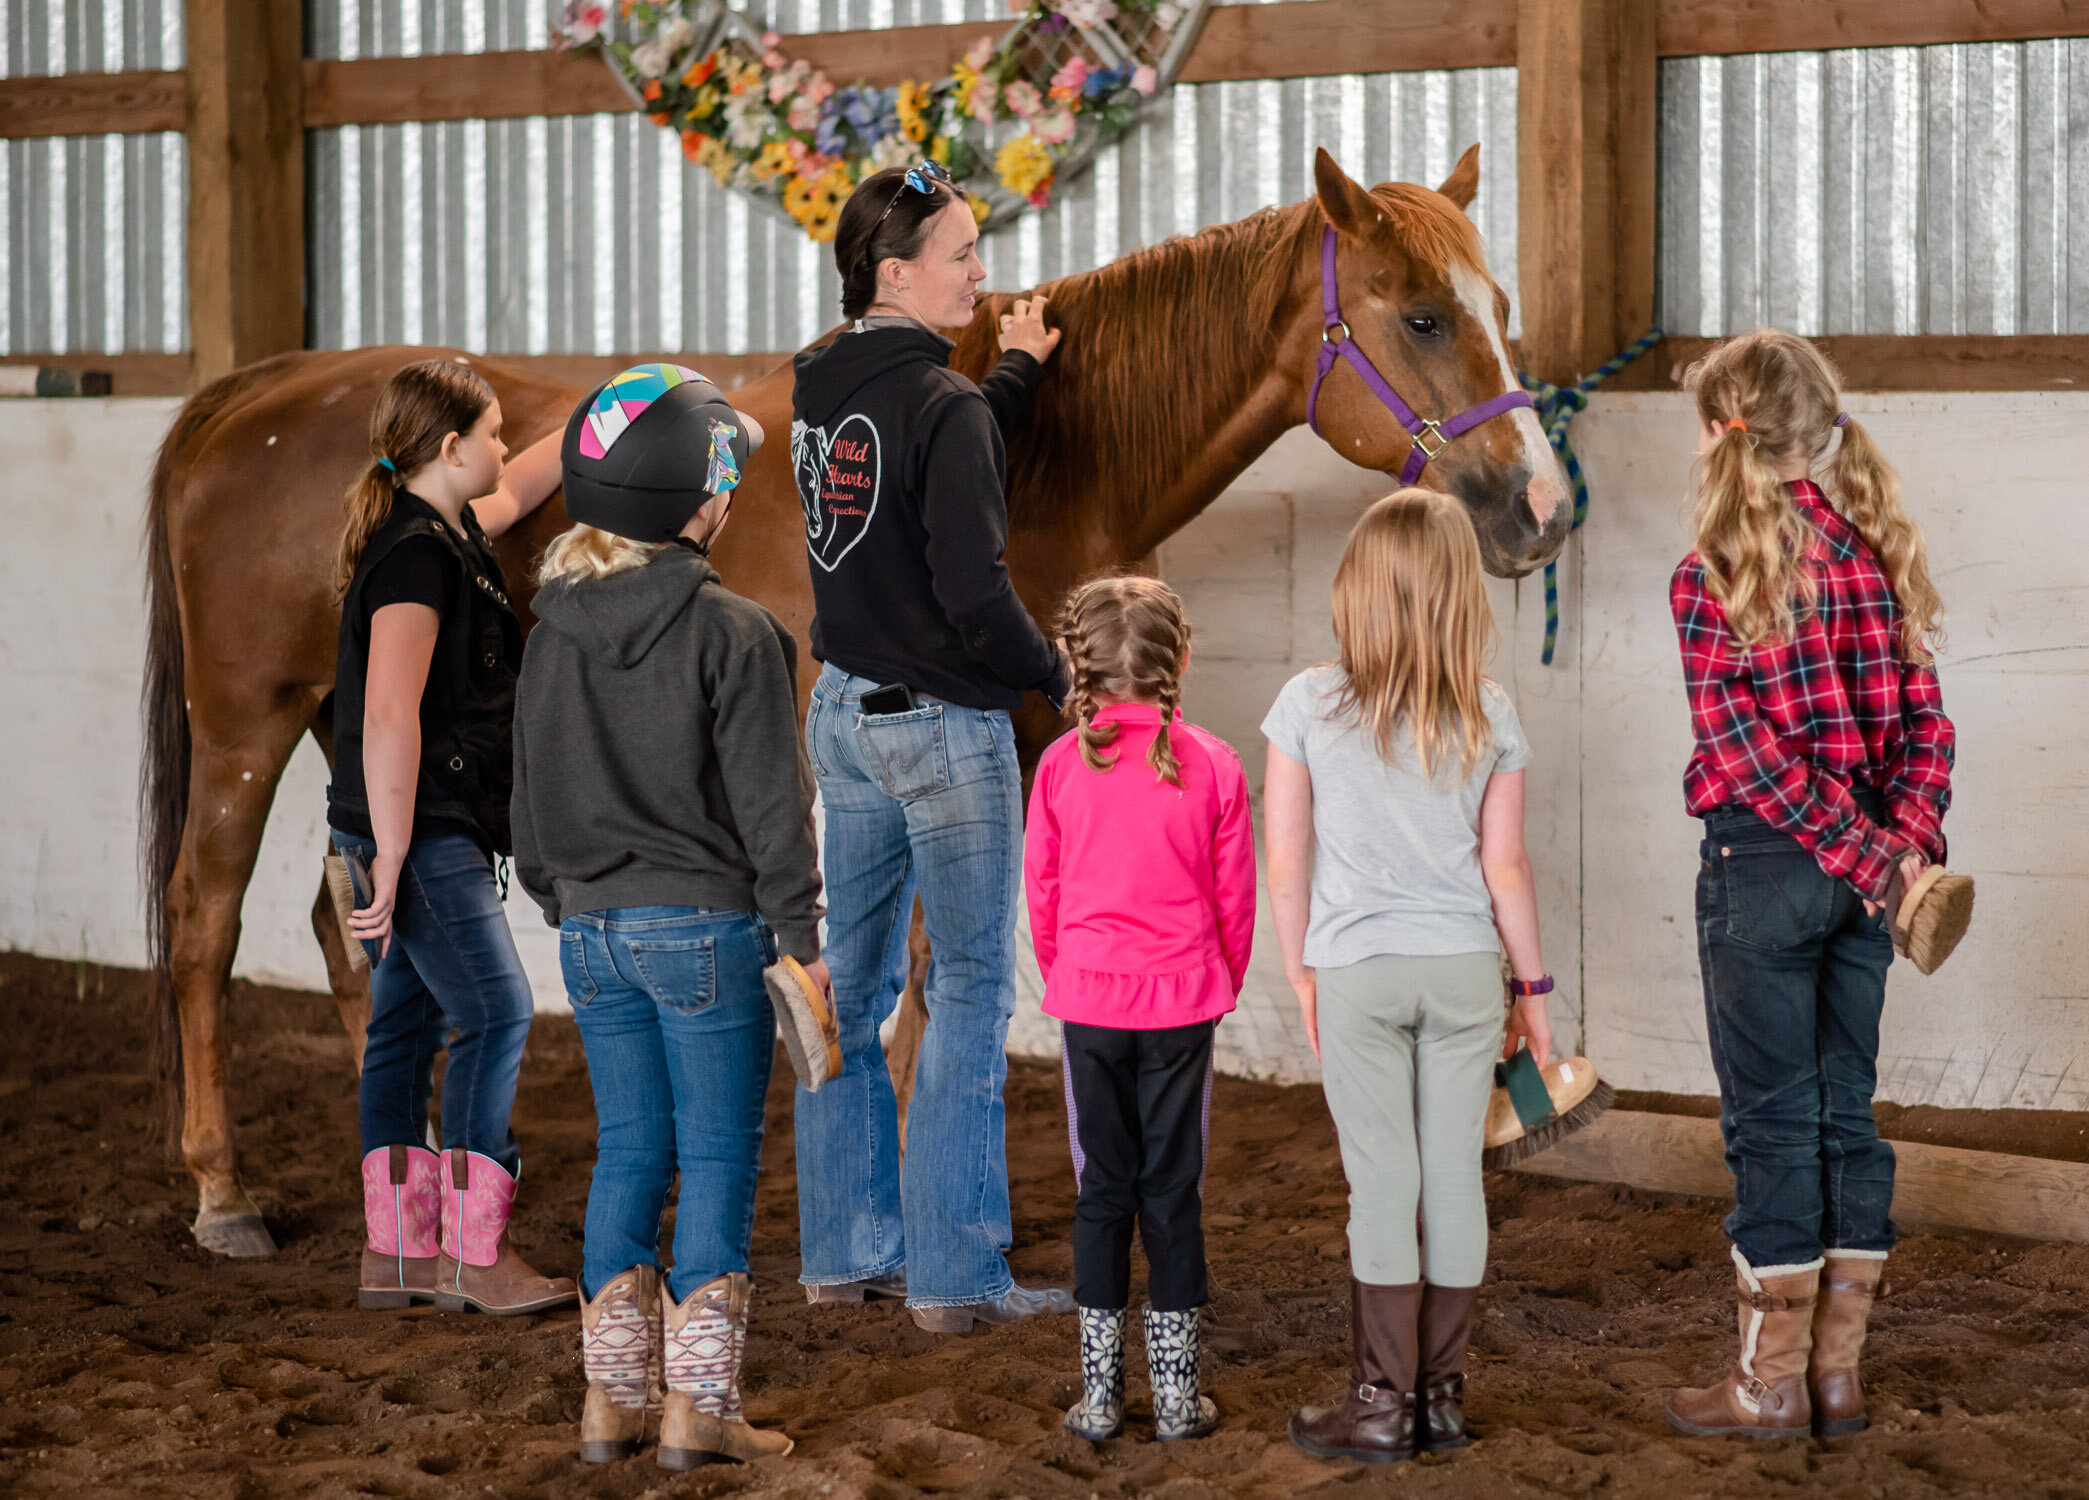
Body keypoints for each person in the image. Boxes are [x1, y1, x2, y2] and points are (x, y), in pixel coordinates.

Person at [511, 365, 822, 1469]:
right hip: (707, 932)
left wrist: (568, 902)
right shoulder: (738, 634)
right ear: (702, 500)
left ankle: (611, 1406)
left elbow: (529, 806)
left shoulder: (550, 634)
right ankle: (699, 1411)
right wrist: (800, 939)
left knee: (628, 1153)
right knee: (721, 1159)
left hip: (591, 939)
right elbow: (772, 812)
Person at [789, 158, 1075, 1332]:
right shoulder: (941, 407)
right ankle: (957, 1277)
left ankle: (846, 1252)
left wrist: (1011, 371)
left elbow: (916, 449)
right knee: (963, 990)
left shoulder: (822, 380)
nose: (982, 271)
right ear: (898, 273)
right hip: (944, 731)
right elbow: (973, 587)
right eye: (963, 255)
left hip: (843, 716)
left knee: (848, 993)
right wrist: (1053, 676)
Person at [1663, 330, 1952, 1440]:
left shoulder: (1709, 580)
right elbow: (1929, 727)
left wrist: (1871, 854)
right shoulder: (1876, 555)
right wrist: (1902, 851)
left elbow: (1747, 762)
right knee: (1846, 1116)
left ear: (1716, 435)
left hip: (1767, 870)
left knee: (1771, 1124)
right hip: (1871, 885)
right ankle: (1837, 1380)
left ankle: (1769, 1385)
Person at [1263, 489, 1553, 1465]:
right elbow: (1504, 867)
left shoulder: (1307, 703)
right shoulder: (1491, 709)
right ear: (1460, 596)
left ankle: (1379, 1405)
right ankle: (1440, 1398)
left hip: (1356, 969)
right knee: (1452, 1181)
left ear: (1357, 590)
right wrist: (1536, 995)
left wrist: (1301, 972)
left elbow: (1285, 859)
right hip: (1467, 969)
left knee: (1380, 1186)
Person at [328, 358, 572, 1317]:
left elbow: (516, 490)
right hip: (418, 832)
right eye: (495, 432)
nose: (505, 449)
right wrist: (389, 854)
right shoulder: (417, 557)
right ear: (448, 448)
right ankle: (475, 1257)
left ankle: (396, 1255)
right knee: (498, 1012)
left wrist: (607, 414)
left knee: (403, 1028)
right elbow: (390, 711)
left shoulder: (445, 526)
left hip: (407, 825)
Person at [1025, 576, 1255, 1443]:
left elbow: (1041, 899)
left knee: (1100, 1191)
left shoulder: (1056, 766)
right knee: (1172, 1189)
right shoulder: (1215, 763)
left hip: (1088, 999)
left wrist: (1074, 973)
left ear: (1077, 666)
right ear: (1180, 661)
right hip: (1182, 1003)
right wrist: (1214, 982)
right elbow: (1235, 900)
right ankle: (1173, 1397)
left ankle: (1096, 1397)